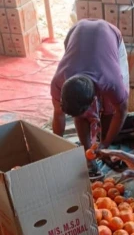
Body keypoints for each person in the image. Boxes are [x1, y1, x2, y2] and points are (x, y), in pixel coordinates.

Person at [50, 19, 129, 179]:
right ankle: (89, 154)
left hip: (110, 35)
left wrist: (105, 144)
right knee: (81, 113)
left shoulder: (111, 81)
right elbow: (58, 114)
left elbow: (121, 112)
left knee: (109, 109)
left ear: (93, 99)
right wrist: (54, 148)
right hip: (77, 32)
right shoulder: (58, 81)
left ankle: (104, 152)